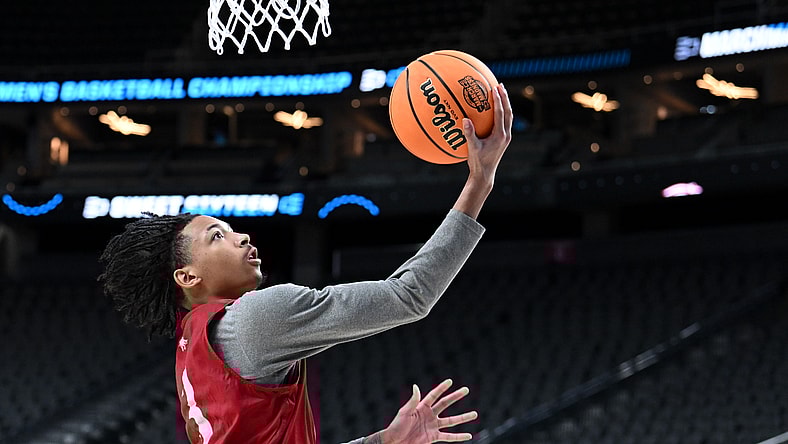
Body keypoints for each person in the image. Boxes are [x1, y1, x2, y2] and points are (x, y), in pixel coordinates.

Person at [99, 83, 513, 443]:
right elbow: (408, 296)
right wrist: (480, 181)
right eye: (217, 236)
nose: (241, 235)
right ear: (187, 276)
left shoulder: (191, 349)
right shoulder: (256, 319)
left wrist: (381, 441)